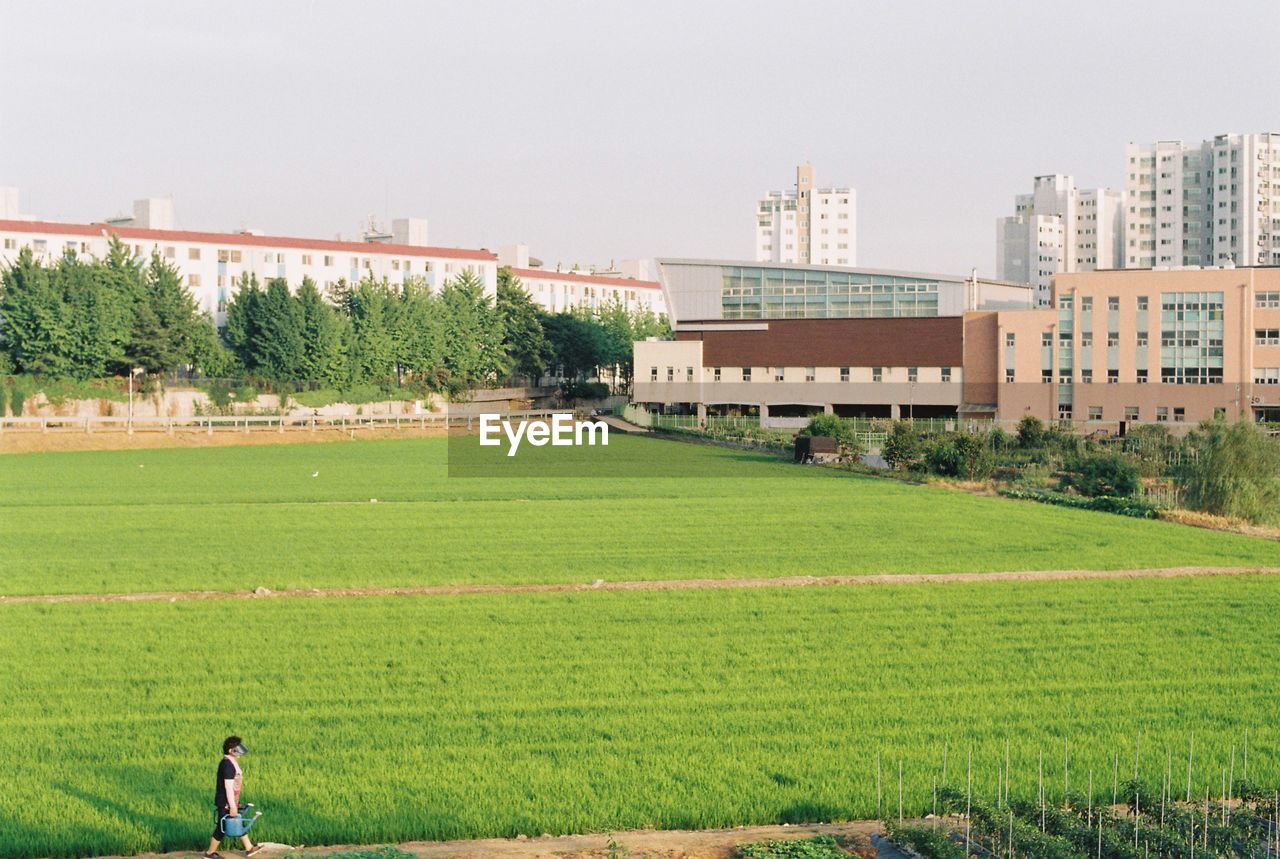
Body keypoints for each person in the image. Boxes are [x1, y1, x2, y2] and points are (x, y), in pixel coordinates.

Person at [205, 736, 261, 858]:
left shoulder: (231, 762)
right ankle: (209, 854)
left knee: (237, 821)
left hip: (229, 801)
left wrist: (235, 803)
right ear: (231, 750)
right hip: (225, 802)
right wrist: (232, 806)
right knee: (222, 827)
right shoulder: (227, 765)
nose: (240, 751)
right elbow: (228, 787)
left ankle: (250, 848)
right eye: (237, 749)